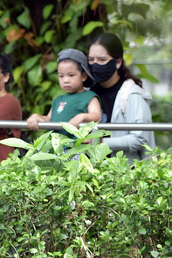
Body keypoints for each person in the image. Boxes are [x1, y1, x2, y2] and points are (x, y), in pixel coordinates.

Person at [88, 32, 155, 162]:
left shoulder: (131, 94)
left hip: (125, 175)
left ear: (118, 62)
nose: (95, 65)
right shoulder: (88, 92)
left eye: (102, 60)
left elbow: (140, 139)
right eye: (91, 60)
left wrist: (100, 143)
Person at [26, 49, 102, 139]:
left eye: (71, 75)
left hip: (77, 148)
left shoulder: (89, 97)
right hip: (55, 148)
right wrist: (37, 117)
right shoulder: (58, 99)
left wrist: (82, 117)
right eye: (61, 76)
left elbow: (97, 116)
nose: (65, 80)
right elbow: (49, 119)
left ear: (83, 76)